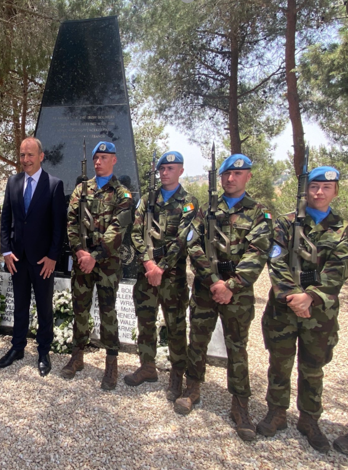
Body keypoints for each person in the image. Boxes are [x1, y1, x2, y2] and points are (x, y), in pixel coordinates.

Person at [174, 154, 272, 442]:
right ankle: (192, 388)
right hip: (207, 288)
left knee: (237, 348)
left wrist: (231, 285)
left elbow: (258, 253)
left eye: (237, 174)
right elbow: (193, 245)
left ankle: (240, 405)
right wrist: (213, 281)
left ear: (248, 177)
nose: (231, 179)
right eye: (227, 174)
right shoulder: (207, 210)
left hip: (237, 294)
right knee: (198, 340)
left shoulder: (258, 213)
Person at [257, 166, 348, 453]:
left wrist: (311, 297)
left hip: (319, 314)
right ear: (307, 190)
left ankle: (309, 420)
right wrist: (293, 297)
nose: (319, 192)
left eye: (326, 188)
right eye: (314, 187)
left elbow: (338, 270)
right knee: (279, 364)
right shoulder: (285, 223)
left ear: (335, 191)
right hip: (284, 310)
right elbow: (277, 260)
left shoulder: (342, 229)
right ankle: (277, 413)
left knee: (313, 369)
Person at [62, 141, 133, 390]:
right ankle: (77, 357)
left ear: (114, 160)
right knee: (80, 310)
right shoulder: (80, 191)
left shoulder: (123, 194)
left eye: (104, 157)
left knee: (108, 313)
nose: (99, 161)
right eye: (96, 158)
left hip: (107, 265)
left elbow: (118, 229)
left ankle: (111, 364)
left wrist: (95, 255)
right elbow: (71, 223)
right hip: (82, 262)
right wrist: (80, 252)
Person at [127, 151, 198, 401]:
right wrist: (148, 263)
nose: (165, 172)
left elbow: (183, 240)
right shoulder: (148, 200)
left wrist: (161, 267)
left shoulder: (189, 202)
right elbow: (135, 232)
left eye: (171, 168)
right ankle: (147, 367)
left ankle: (177, 375)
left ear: (181, 170)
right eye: (162, 169)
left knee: (176, 326)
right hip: (146, 275)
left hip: (172, 277)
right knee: (145, 322)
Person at [0, 137, 66, 376]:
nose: (25, 159)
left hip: (42, 260)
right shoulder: (13, 182)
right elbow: (6, 219)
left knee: (45, 307)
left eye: (30, 155)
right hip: (17, 258)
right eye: (22, 155)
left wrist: (52, 256)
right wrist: (6, 250)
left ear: (41, 156)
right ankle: (17, 348)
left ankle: (44, 352)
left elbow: (59, 226)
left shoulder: (54, 185)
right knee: (20, 305)